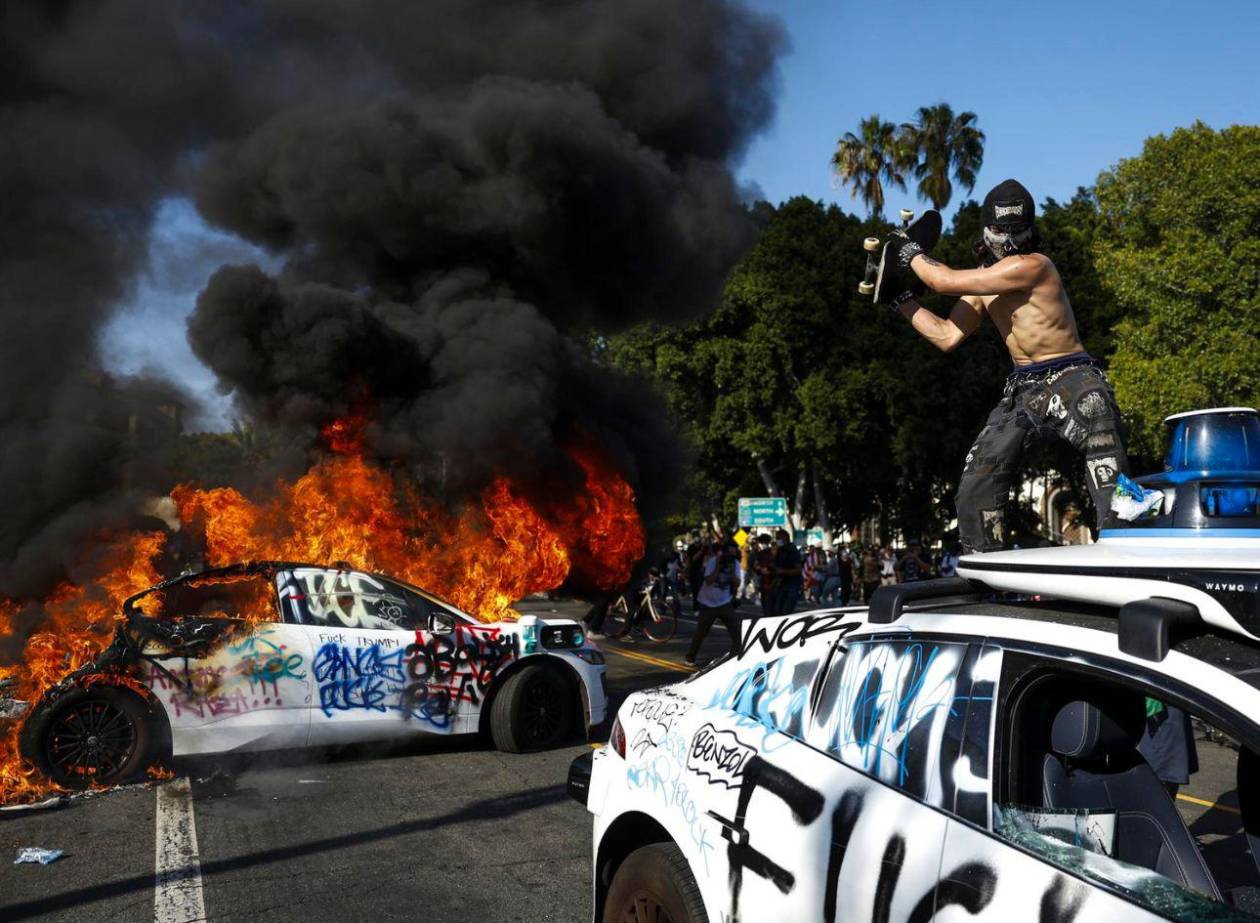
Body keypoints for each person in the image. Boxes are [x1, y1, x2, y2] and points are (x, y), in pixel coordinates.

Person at [877, 179, 1129, 554]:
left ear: (1029, 231)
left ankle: (1124, 540)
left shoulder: (1035, 265)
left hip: (1073, 377)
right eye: (1001, 231)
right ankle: (984, 561)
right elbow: (946, 335)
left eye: (1016, 231)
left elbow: (942, 280)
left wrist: (907, 249)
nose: (1008, 241)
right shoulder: (985, 281)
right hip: (1024, 390)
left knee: (1102, 441)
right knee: (976, 482)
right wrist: (900, 301)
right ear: (987, 230)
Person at [685, 539, 743, 665]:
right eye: (728, 553)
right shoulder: (713, 561)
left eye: (733, 553)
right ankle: (690, 657)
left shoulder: (735, 563)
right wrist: (718, 566)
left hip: (724, 602)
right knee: (701, 632)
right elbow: (709, 580)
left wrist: (732, 572)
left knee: (736, 631)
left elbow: (737, 583)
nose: (730, 556)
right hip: (708, 603)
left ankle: (738, 655)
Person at [769, 529, 804, 615]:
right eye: (777, 538)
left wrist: (783, 571)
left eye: (779, 538)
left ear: (785, 538)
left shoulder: (793, 551)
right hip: (781, 584)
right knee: (777, 609)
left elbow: (798, 570)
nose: (777, 540)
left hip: (792, 584)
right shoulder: (780, 550)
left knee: (786, 611)